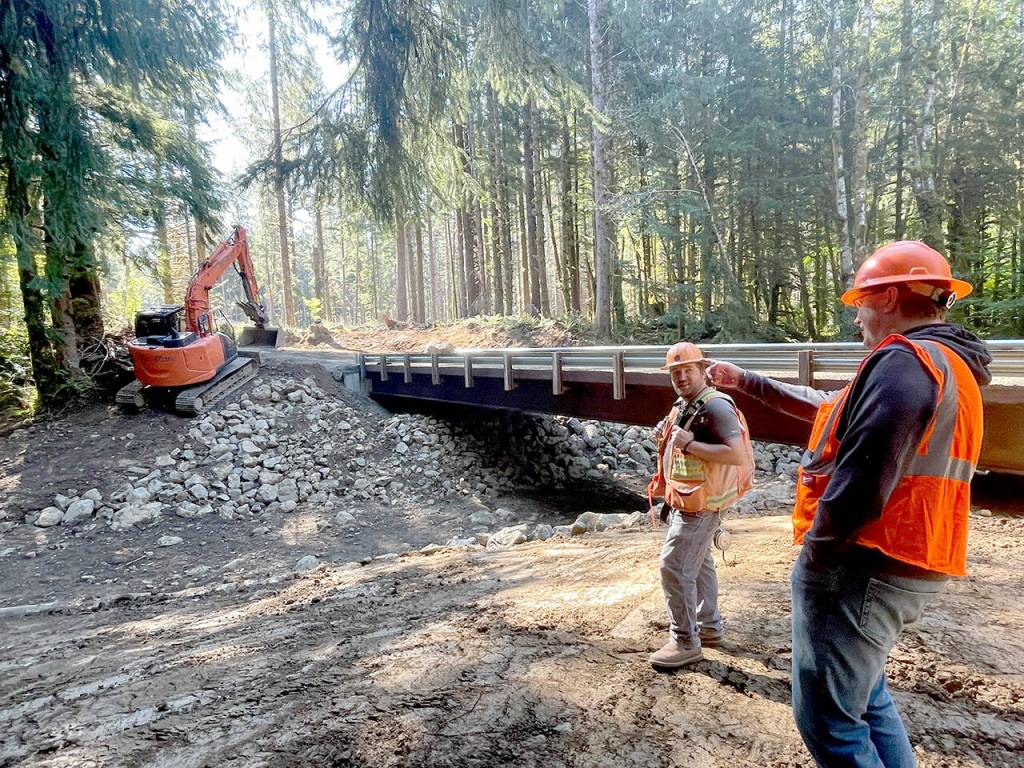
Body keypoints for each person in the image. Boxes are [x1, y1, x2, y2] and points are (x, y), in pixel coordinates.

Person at [708, 241, 990, 767]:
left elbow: (864, 476)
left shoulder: (904, 363)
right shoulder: (942, 364)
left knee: (830, 722)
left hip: (864, 562)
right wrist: (746, 381)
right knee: (866, 695)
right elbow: (829, 407)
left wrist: (818, 557)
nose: (856, 316)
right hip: (910, 555)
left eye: (861, 301)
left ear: (888, 298)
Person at [646, 342, 754, 669]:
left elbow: (736, 455)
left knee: (674, 567)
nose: (681, 377)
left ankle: (684, 641)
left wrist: (690, 443)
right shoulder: (686, 404)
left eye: (687, 370)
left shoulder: (715, 407)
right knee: (700, 561)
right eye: (675, 372)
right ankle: (708, 627)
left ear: (702, 370)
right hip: (693, 500)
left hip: (701, 507)